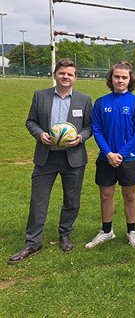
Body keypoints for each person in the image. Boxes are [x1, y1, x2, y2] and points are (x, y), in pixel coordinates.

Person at [8, 59, 92, 264]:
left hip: (74, 158)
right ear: (55, 74)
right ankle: (33, 242)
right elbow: (31, 121)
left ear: (75, 77)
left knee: (71, 200)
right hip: (46, 157)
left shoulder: (84, 99)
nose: (66, 77)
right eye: (62, 73)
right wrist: (39, 135)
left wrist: (80, 137)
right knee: (38, 200)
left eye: (70, 74)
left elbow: (89, 127)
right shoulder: (41, 96)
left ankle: (65, 234)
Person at [86, 61, 135, 249]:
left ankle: (132, 231)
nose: (120, 80)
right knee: (106, 195)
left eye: (124, 77)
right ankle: (107, 231)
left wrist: (120, 153)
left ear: (130, 80)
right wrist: (108, 153)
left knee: (129, 196)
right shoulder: (101, 102)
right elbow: (97, 129)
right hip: (106, 159)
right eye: (116, 76)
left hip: (128, 158)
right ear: (110, 78)